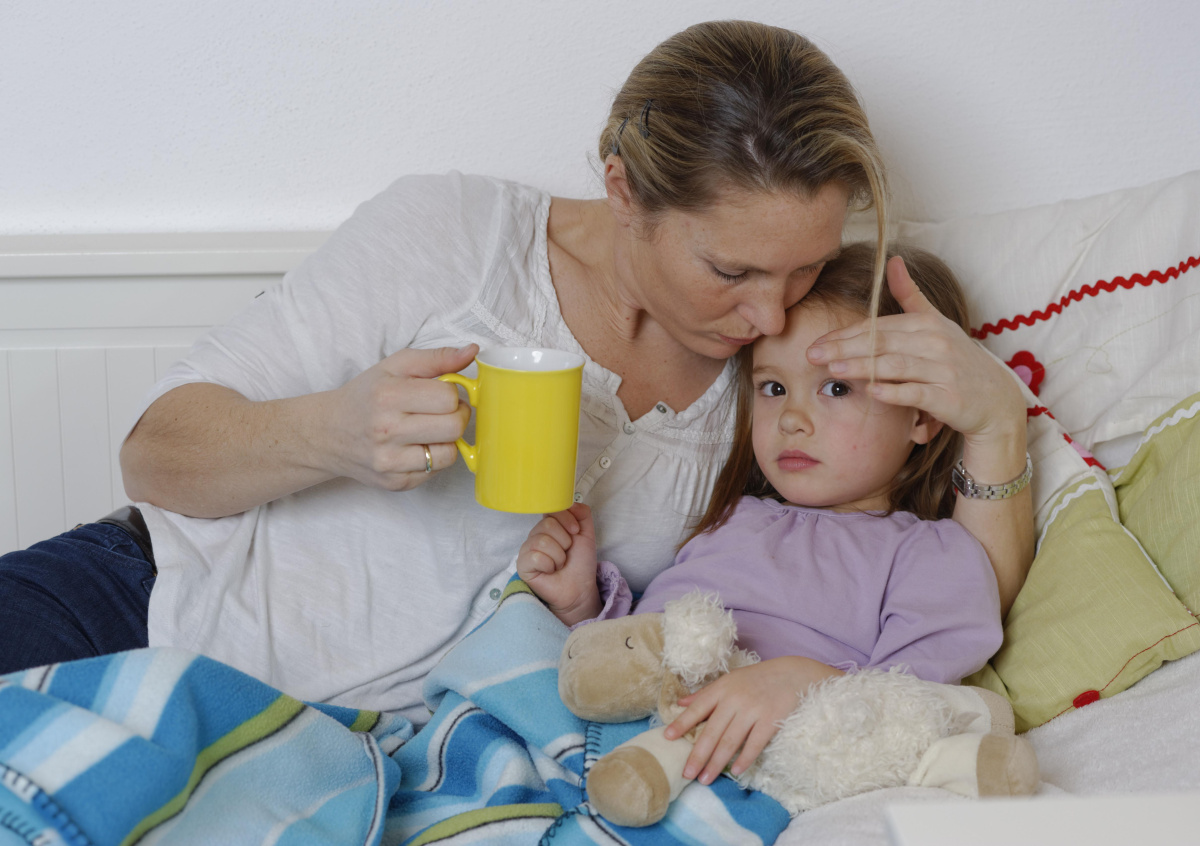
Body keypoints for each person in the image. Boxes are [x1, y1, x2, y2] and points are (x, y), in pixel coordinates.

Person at [0, 22, 1031, 726]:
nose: (770, 316)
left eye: (802, 268)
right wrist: (333, 433)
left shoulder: (787, 380)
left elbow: (955, 585)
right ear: (624, 191)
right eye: (731, 271)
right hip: (156, 603)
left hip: (383, 744)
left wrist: (994, 422)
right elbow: (156, 455)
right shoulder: (454, 236)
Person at [517, 241, 1008, 787]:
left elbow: (918, 703)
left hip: (742, 769)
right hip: (617, 734)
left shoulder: (928, 555)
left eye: (836, 388)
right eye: (773, 388)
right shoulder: (733, 519)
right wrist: (580, 604)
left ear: (922, 417)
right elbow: (648, 650)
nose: (792, 418)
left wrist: (806, 682)